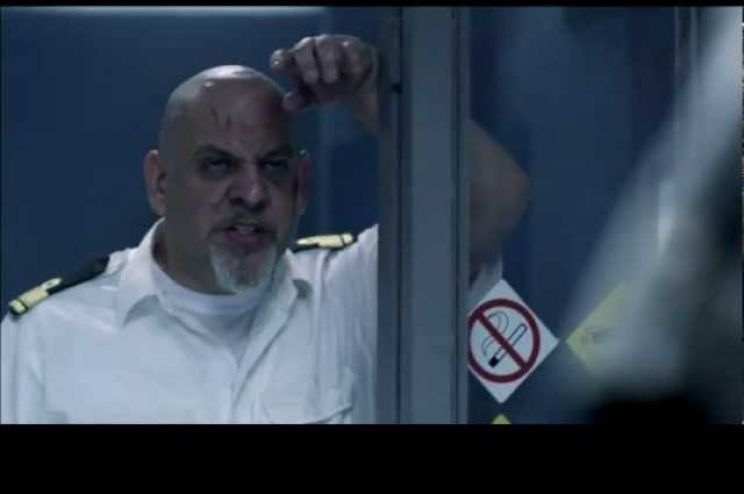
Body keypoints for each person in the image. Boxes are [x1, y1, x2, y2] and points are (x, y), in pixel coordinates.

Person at [1, 34, 529, 424]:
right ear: (160, 184)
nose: (252, 193)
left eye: (274, 167)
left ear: (301, 186)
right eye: (218, 166)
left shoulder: (351, 294)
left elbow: (495, 197)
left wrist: (371, 92)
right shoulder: (44, 339)